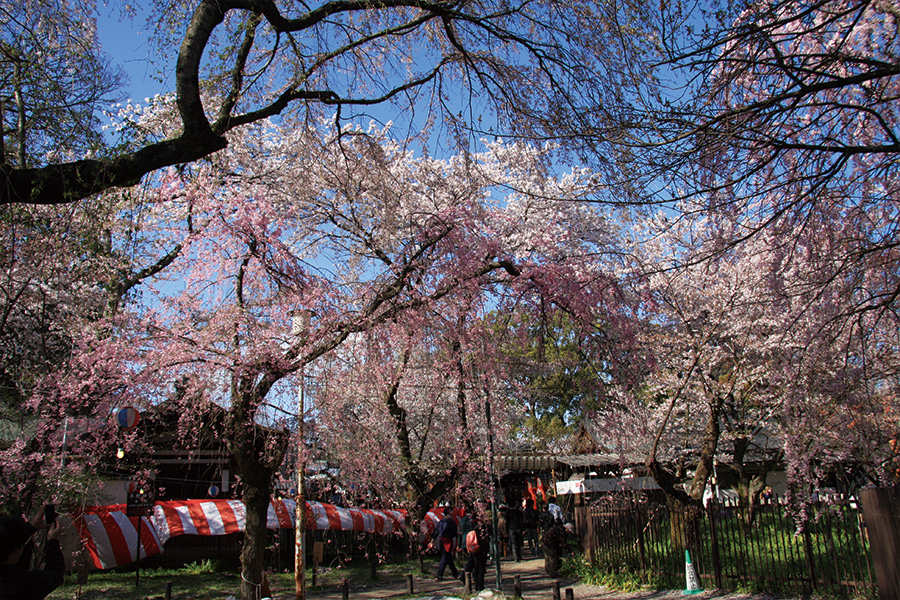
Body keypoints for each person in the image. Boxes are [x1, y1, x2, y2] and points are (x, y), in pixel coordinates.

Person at [0, 507, 65, 600]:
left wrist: (32, 526)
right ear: (16, 550)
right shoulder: (26, 582)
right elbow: (55, 574)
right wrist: (52, 541)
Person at [461, 515, 490, 591]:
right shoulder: (480, 527)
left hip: (472, 547)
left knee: (474, 565)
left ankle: (468, 578)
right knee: (480, 567)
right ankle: (479, 585)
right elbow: (485, 537)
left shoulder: (469, 524)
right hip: (480, 548)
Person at [433, 507, 459, 581]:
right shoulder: (451, 521)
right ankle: (439, 574)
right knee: (445, 557)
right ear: (449, 512)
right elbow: (454, 532)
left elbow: (436, 531)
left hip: (441, 540)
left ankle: (455, 572)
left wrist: (433, 539)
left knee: (448, 557)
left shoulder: (441, 521)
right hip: (447, 540)